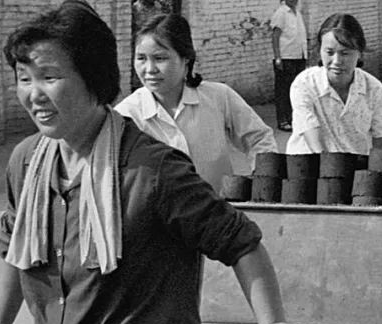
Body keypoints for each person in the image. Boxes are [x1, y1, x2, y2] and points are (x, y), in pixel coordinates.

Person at [0, 0, 310, 324]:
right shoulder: (27, 162)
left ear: (93, 78)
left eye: (49, 77)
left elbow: (242, 244)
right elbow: (15, 249)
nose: (34, 94)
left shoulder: (153, 170)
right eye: (24, 78)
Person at [116, 13, 277, 191]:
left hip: (217, 206)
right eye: (141, 58)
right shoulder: (126, 115)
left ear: (185, 58)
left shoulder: (218, 97)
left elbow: (259, 138)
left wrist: (263, 183)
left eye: (160, 58)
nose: (150, 69)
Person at [287, 13, 382, 154]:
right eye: (329, 52)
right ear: (320, 50)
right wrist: (329, 164)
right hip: (310, 163)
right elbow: (312, 136)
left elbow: (381, 140)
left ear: (359, 53)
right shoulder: (305, 83)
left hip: (355, 164)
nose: (337, 61)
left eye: (345, 53)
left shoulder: (373, 88)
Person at [270, 0, 308, 132]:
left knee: (296, 90)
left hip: (299, 56)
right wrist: (277, 58)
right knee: (283, 91)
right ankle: (283, 120)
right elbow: (275, 36)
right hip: (286, 57)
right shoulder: (281, 13)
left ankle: (293, 119)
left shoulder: (297, 13)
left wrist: (305, 55)